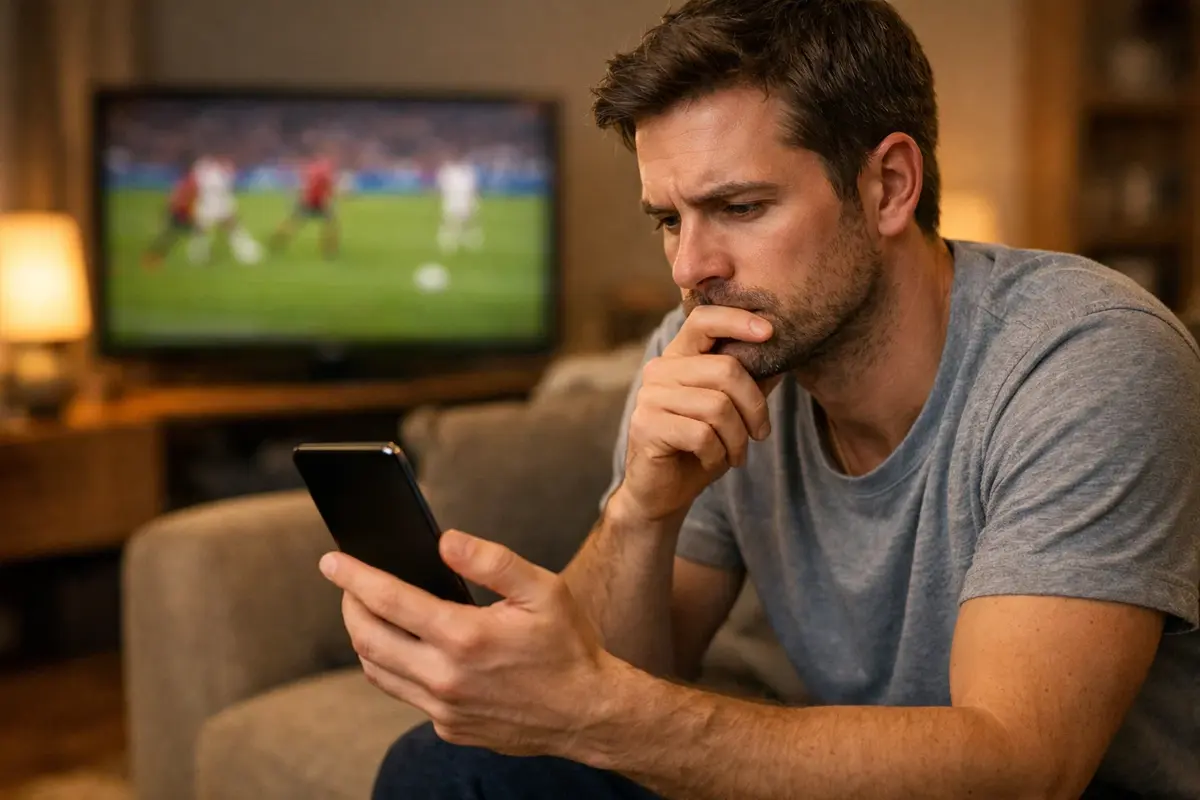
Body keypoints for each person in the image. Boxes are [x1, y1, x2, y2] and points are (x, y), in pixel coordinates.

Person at [319, 1, 1200, 798]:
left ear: (890, 186)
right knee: (446, 769)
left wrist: (594, 710)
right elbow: (618, 690)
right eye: (669, 219)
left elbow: (1022, 769)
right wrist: (642, 509)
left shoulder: (1084, 357)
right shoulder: (711, 351)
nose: (690, 267)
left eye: (739, 206)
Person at [188, 154, 263, 265]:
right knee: (231, 229)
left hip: (208, 204)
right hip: (218, 204)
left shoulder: (203, 170)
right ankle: (247, 254)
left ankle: (197, 255)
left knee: (203, 231)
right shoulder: (217, 172)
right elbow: (226, 187)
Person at [269, 152, 340, 259]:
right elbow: (329, 190)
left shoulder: (312, 169)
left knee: (293, 223)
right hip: (317, 203)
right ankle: (329, 251)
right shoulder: (325, 172)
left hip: (307, 202)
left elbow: (305, 186)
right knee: (330, 225)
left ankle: (277, 240)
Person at [141, 163, 198, 269]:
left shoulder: (183, 182)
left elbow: (172, 198)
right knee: (172, 235)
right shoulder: (188, 183)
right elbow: (180, 199)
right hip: (181, 213)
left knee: (171, 236)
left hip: (179, 212)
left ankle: (154, 255)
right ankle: (153, 255)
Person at [435, 149, 484, 254]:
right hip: (453, 201)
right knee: (452, 223)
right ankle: (449, 244)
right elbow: (443, 187)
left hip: (464, 200)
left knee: (468, 223)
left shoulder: (467, 171)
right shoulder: (448, 171)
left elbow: (473, 187)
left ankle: (470, 243)